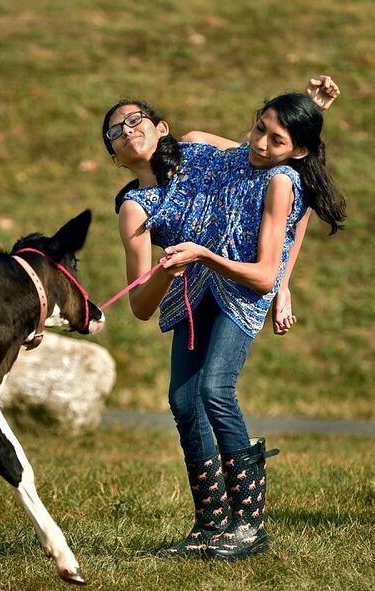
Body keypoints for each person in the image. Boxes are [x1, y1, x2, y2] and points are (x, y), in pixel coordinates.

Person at [101, 78, 345, 559]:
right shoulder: (135, 208)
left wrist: (282, 282)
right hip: (190, 295)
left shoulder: (203, 150)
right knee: (183, 402)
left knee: (216, 389)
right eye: (115, 131)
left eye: (136, 119)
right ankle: (210, 525)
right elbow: (140, 305)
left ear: (161, 126)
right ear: (114, 156)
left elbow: (285, 171)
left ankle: (249, 526)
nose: (128, 131)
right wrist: (169, 270)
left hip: (240, 288)